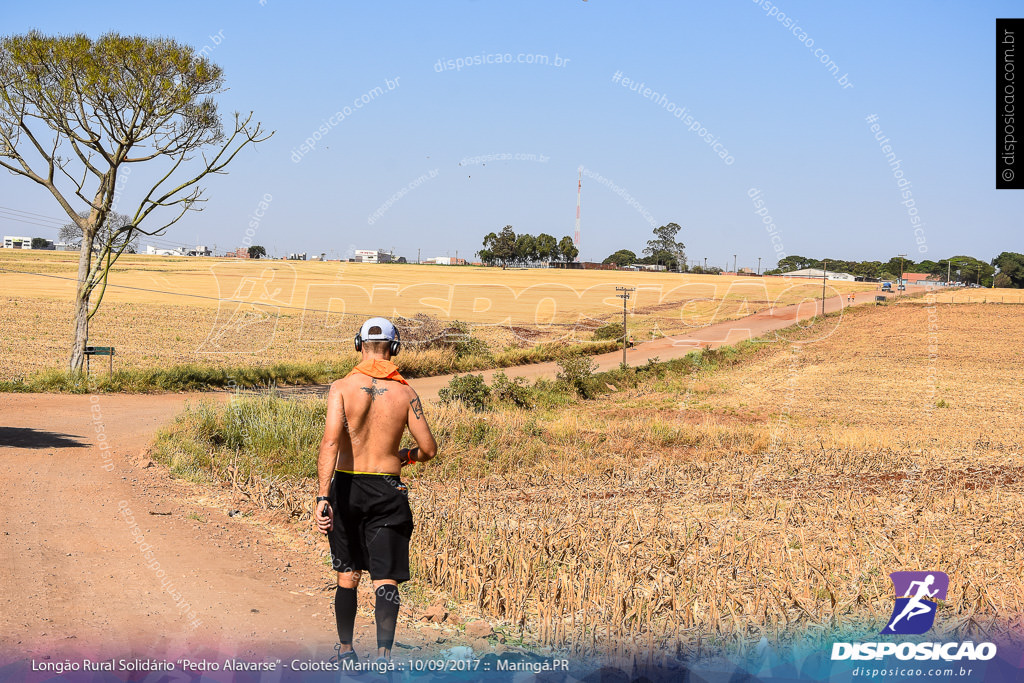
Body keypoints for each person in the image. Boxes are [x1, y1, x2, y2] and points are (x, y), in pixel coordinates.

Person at [314, 317, 437, 666]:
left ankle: (346, 651)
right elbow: (428, 449)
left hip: (347, 487)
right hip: (387, 489)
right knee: (386, 579)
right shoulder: (405, 392)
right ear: (395, 348)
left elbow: (330, 443)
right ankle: (384, 658)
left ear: (358, 345)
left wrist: (324, 498)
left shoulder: (341, 388)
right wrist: (405, 457)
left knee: (347, 574)